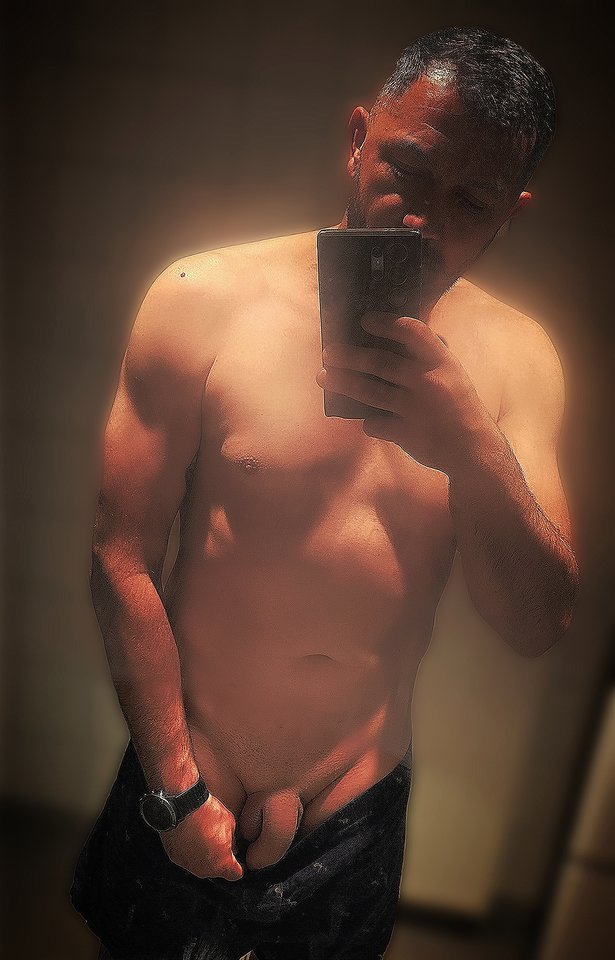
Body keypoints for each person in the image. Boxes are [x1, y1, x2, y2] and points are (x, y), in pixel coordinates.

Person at [70, 26, 579, 960]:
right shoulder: (203, 298)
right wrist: (175, 787)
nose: (422, 221)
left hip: (354, 800)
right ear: (356, 140)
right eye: (407, 171)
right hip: (185, 769)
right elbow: (121, 556)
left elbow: (536, 620)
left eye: (470, 200)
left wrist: (470, 448)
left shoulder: (518, 362)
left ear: (510, 211)